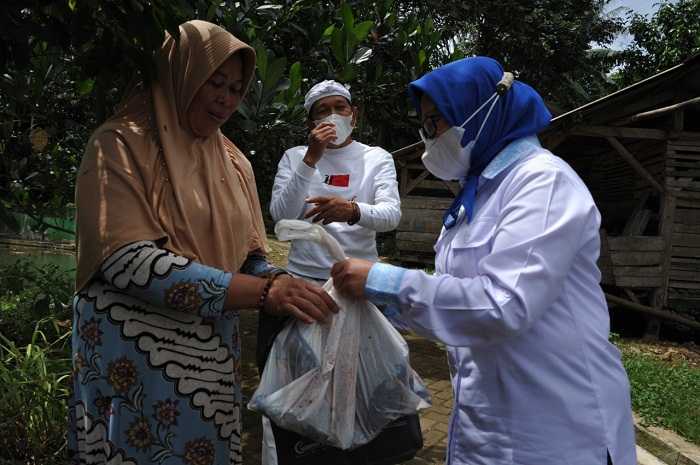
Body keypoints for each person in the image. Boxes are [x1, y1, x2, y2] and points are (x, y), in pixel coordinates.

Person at [330, 57, 636, 465]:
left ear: (482, 109)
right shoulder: (478, 194)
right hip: (487, 419)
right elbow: (457, 298)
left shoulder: (543, 182)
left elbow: (501, 305)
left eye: (435, 122)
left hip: (556, 425)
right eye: (424, 125)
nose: (429, 137)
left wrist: (384, 282)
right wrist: (375, 299)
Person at [68, 20, 337, 465]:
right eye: (214, 83)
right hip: (135, 366)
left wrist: (284, 284)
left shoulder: (233, 162)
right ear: (181, 73)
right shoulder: (118, 145)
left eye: (235, 88)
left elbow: (249, 256)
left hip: (207, 369)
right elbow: (126, 260)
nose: (225, 99)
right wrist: (264, 292)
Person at [269, 79, 401, 281]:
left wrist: (353, 210)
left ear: (353, 116)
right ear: (310, 124)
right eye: (323, 111)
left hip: (359, 277)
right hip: (303, 276)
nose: (333, 116)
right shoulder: (295, 157)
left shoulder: (377, 158)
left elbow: (391, 216)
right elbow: (281, 216)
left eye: (340, 108)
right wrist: (310, 159)